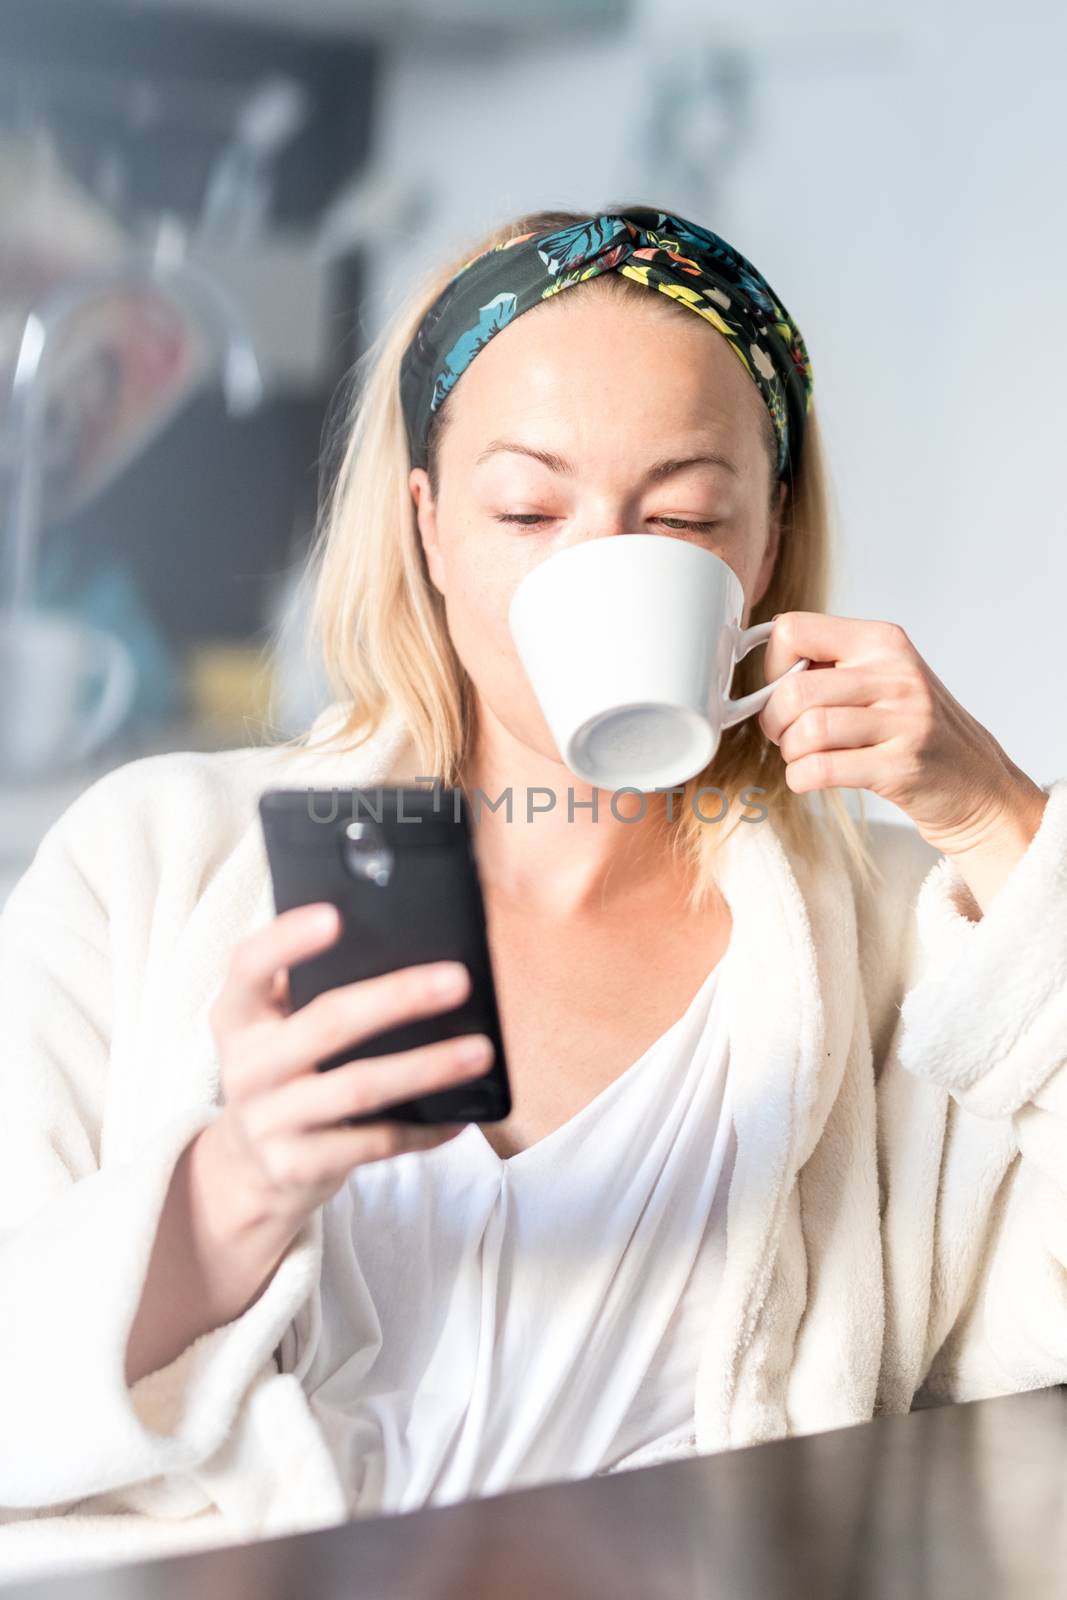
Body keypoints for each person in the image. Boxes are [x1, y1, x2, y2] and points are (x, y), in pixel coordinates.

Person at [1, 203, 1064, 1583]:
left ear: (765, 536)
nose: (600, 565)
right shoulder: (151, 866)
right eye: (526, 509)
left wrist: (1002, 821)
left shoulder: (902, 945)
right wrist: (236, 1185)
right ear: (431, 529)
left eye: (680, 514)